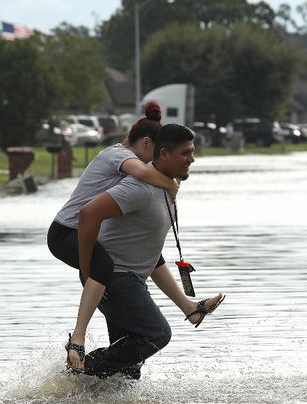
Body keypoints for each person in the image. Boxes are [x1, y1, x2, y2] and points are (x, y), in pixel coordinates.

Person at [47, 103, 224, 373]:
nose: (192, 159)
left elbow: (153, 256)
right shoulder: (138, 186)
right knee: (156, 334)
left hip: (129, 279)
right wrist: (87, 268)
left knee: (129, 371)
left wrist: (186, 305)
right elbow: (88, 213)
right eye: (185, 153)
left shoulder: (164, 188)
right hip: (113, 277)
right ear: (161, 153)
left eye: (193, 153)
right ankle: (76, 372)